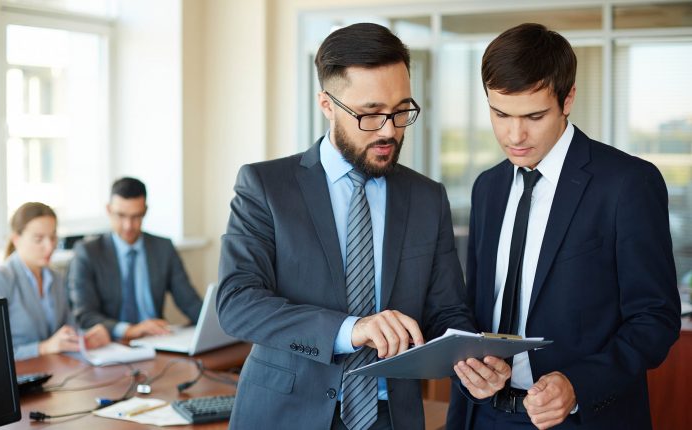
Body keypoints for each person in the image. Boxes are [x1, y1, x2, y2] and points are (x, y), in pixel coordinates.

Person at [217, 23, 509, 430]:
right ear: (327, 104)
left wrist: (470, 358)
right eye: (370, 113)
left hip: (393, 417)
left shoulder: (428, 197)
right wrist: (351, 329)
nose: (390, 129)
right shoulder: (266, 186)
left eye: (401, 110)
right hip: (285, 415)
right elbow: (237, 303)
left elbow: (446, 310)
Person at [446, 23, 680, 430]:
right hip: (482, 416)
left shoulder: (628, 183)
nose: (514, 134)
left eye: (534, 116)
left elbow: (655, 319)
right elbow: (477, 305)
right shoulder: (488, 187)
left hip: (581, 419)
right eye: (500, 114)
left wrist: (578, 385)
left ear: (568, 98)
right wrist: (470, 362)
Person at [68, 177, 202, 340]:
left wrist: (214, 327)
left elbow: (190, 302)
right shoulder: (88, 252)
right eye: (121, 215)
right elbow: (85, 315)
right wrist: (130, 330)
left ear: (145, 211)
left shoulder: (163, 248)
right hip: (113, 343)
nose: (128, 226)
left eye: (136, 216)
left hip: (156, 341)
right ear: (108, 210)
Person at [0, 202, 110, 360]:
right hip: (18, 377)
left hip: (53, 371)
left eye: (53, 237)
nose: (50, 246)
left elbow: (68, 329)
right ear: (16, 239)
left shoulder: (56, 278)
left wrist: (86, 337)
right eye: (39, 239)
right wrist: (43, 348)